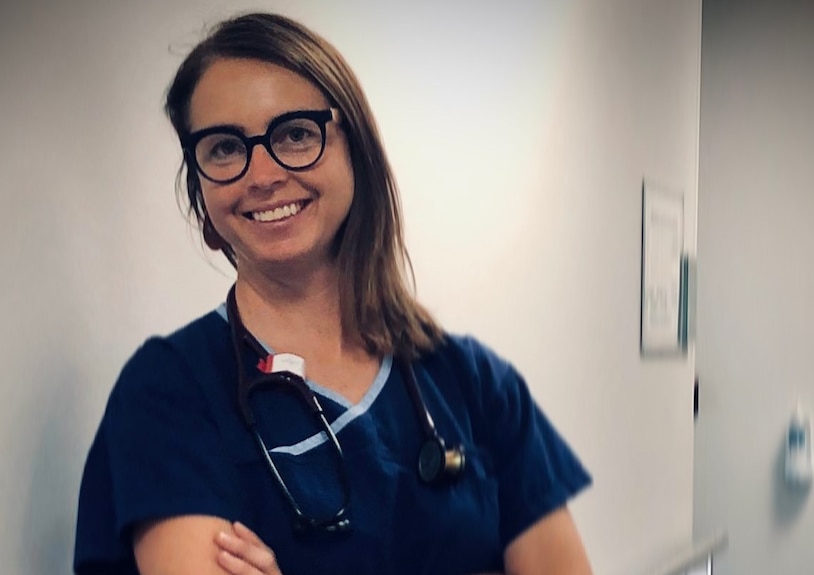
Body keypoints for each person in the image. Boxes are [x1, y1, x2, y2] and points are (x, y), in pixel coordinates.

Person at [73, 11, 593, 575]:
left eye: (295, 133)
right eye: (224, 147)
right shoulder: (170, 394)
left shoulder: (475, 383)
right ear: (200, 190)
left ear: (356, 150)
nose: (262, 173)